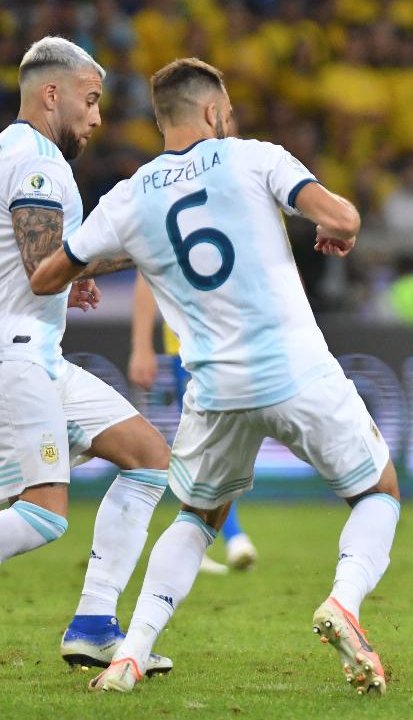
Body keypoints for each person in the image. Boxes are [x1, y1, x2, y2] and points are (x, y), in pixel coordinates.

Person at [32, 57, 399, 696]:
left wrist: (111, 261)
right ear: (212, 111)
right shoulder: (256, 157)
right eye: (226, 111)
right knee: (378, 492)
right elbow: (343, 218)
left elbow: (48, 275)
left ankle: (131, 655)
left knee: (198, 517)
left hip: (215, 389)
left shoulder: (129, 196)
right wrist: (332, 229)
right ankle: (343, 599)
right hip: (295, 370)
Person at [0, 36, 175, 677]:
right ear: (52, 94)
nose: (97, 117)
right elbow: (42, 263)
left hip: (37, 355)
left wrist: (66, 276)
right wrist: (148, 248)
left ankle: (95, 624)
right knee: (43, 514)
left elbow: (38, 263)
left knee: (149, 458)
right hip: (16, 358)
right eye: (91, 100)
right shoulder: (37, 163)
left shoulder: (13, 152)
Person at [129, 276, 257, 573]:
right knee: (210, 440)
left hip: (235, 340)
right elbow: (145, 275)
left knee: (222, 439)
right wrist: (142, 346)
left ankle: (201, 539)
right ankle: (227, 536)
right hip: (189, 345)